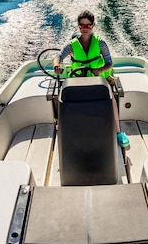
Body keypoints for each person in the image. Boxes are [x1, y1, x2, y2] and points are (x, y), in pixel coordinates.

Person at [52, 10, 130, 149]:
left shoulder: (101, 44)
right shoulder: (71, 45)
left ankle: (118, 132)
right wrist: (57, 65)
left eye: (88, 26)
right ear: (78, 26)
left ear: (93, 25)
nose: (85, 28)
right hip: (77, 81)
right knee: (63, 98)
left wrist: (99, 71)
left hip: (98, 80)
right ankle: (62, 124)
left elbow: (109, 63)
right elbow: (58, 57)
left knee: (111, 100)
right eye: (82, 26)